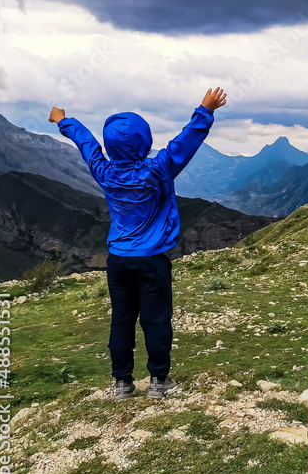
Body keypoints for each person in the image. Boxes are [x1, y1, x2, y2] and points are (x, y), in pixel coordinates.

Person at [49, 88, 227, 401]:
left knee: (121, 320)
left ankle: (122, 384)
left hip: (118, 261)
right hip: (152, 260)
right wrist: (205, 110)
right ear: (144, 141)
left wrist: (63, 120)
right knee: (156, 320)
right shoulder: (157, 170)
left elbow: (87, 144)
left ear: (111, 144)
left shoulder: (103, 172)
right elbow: (184, 144)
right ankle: (158, 380)